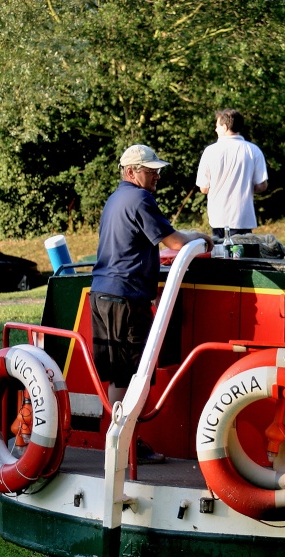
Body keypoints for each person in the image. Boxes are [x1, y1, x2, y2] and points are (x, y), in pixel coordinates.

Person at [90, 144, 214, 461]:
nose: (157, 175)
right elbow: (172, 241)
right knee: (133, 375)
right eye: (151, 170)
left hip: (103, 294)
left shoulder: (115, 200)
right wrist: (201, 237)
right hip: (126, 298)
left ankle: (118, 442)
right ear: (132, 172)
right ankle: (126, 445)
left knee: (118, 376)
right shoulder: (140, 199)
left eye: (157, 169)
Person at [196, 108, 269, 241]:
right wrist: (244, 186)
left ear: (224, 127)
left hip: (218, 217)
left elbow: (204, 188)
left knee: (221, 258)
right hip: (243, 217)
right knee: (244, 259)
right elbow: (262, 185)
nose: (215, 129)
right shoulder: (253, 150)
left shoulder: (210, 151)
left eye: (217, 126)